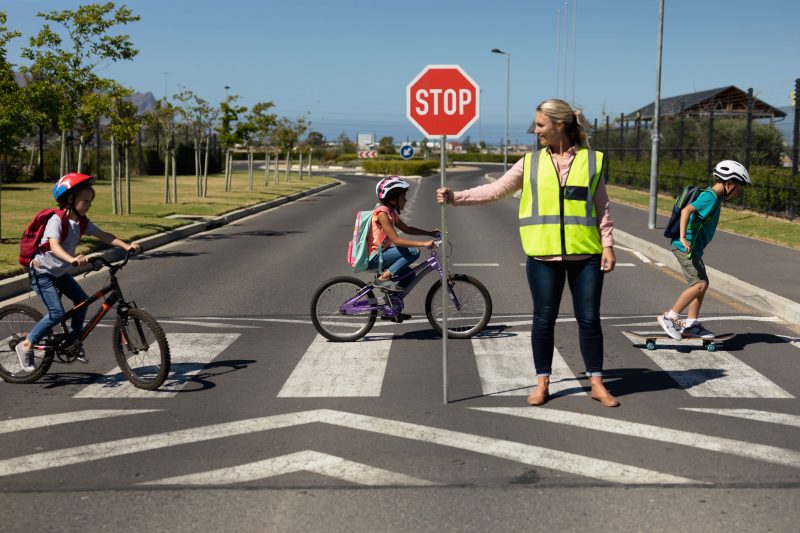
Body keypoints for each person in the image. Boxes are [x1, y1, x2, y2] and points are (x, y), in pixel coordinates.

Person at [436, 98, 620, 407]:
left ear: (559, 125)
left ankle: (597, 384)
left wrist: (608, 245)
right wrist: (456, 197)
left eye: (540, 125)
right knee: (543, 320)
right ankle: (542, 383)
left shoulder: (592, 161)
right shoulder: (530, 162)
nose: (536, 132)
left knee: (589, 320)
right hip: (542, 256)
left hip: (585, 256)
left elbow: (602, 207)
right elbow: (496, 190)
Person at [15, 173, 141, 371]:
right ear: (70, 200)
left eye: (90, 201)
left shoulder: (82, 222)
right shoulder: (56, 221)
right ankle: (26, 345)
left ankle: (74, 342)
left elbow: (104, 236)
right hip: (42, 273)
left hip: (58, 272)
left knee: (82, 303)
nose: (89, 205)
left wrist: (126, 246)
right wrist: (72, 259)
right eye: (85, 201)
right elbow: (54, 246)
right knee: (56, 313)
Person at [657, 160, 751, 340]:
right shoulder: (710, 197)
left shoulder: (712, 196)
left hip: (694, 249)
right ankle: (669, 317)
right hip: (685, 246)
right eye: (738, 187)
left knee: (701, 284)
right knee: (699, 284)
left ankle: (691, 324)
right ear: (729, 183)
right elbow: (686, 211)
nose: (738, 192)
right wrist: (683, 237)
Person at [370, 176, 438, 293]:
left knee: (409, 275)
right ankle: (383, 278)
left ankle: (391, 306)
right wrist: (423, 243)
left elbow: (407, 229)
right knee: (413, 251)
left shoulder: (391, 212)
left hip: (382, 254)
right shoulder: (382, 214)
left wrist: (430, 233)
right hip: (375, 257)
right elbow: (396, 240)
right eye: (403, 197)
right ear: (392, 198)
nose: (405, 200)